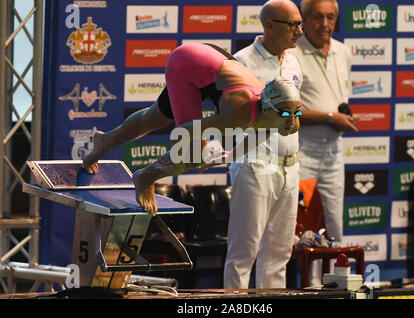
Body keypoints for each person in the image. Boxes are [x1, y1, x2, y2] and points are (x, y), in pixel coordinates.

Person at [83, 42, 302, 216]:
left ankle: (104, 141)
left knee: (154, 118)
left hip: (210, 61)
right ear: (268, 108)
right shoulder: (240, 113)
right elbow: (185, 131)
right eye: (285, 114)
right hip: (187, 63)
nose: (291, 121)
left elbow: (259, 135)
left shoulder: (280, 115)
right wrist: (201, 147)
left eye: (296, 113)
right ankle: (146, 177)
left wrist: (225, 156)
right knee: (192, 152)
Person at [224, 0, 303, 289]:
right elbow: (232, 119)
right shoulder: (241, 63)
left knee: (279, 255)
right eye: (293, 25)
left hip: (290, 167)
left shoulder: (293, 61)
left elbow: (294, 115)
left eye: (299, 24)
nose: (299, 32)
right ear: (269, 26)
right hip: (255, 166)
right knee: (243, 254)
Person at [289, 0, 358, 286]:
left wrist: (340, 115)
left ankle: (336, 288)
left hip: (333, 153)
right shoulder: (293, 53)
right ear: (304, 19)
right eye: (318, 17)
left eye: (331, 17)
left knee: (335, 229)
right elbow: (289, 109)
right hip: (302, 152)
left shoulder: (343, 51)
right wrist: (330, 117)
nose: (325, 24)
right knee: (305, 233)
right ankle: (310, 289)